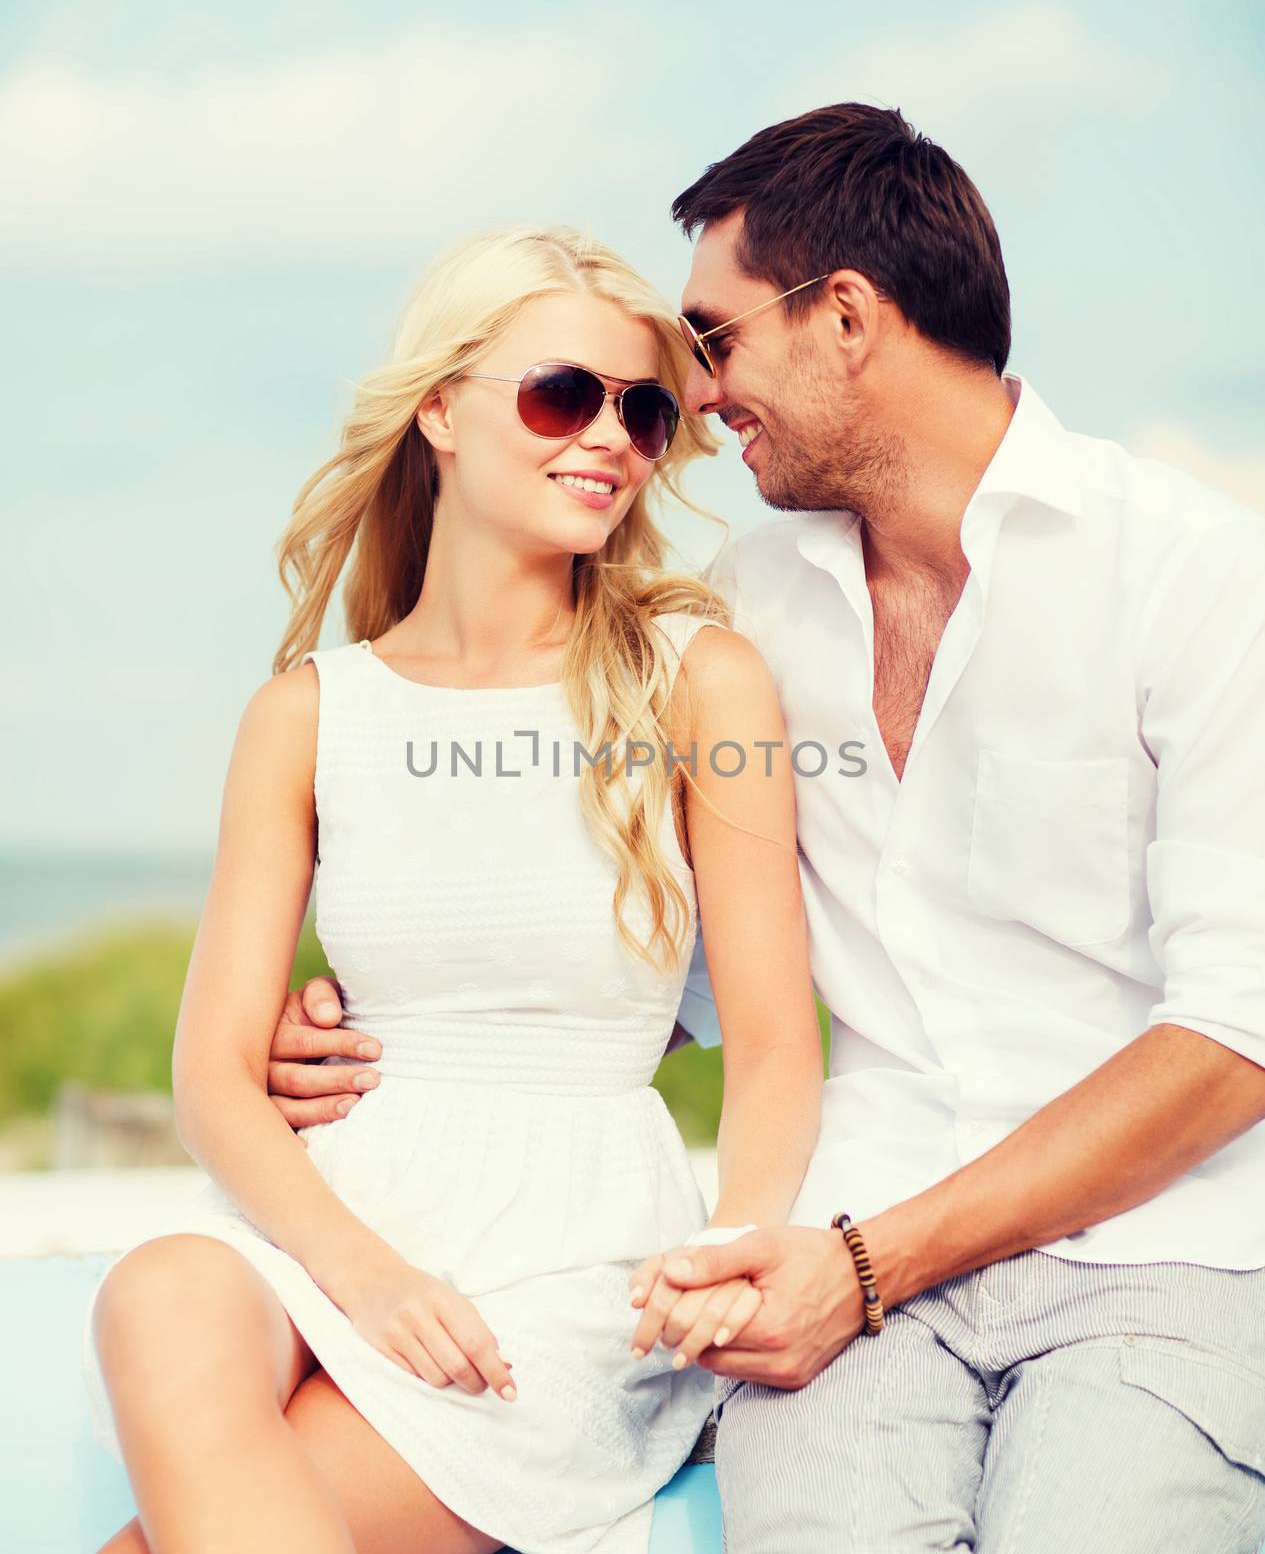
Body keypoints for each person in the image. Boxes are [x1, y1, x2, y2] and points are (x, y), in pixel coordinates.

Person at [275, 104, 1265, 1553]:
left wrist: (863, 1265)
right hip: (838, 1281)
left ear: (846, 318)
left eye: (711, 345)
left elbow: (1236, 1038)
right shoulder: (743, 611)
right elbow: (672, 962)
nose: (696, 395)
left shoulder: (1193, 574)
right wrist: (375, 1025)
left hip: (1158, 1266)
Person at [79, 223, 824, 1554]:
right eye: (560, 393)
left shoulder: (699, 681)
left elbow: (772, 1046)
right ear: (437, 408)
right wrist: (362, 1276)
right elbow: (213, 1075)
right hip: (332, 1221)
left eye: (644, 410)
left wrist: (734, 1249)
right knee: (155, 1296)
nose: (608, 435)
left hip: (571, 1251)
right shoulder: (306, 713)